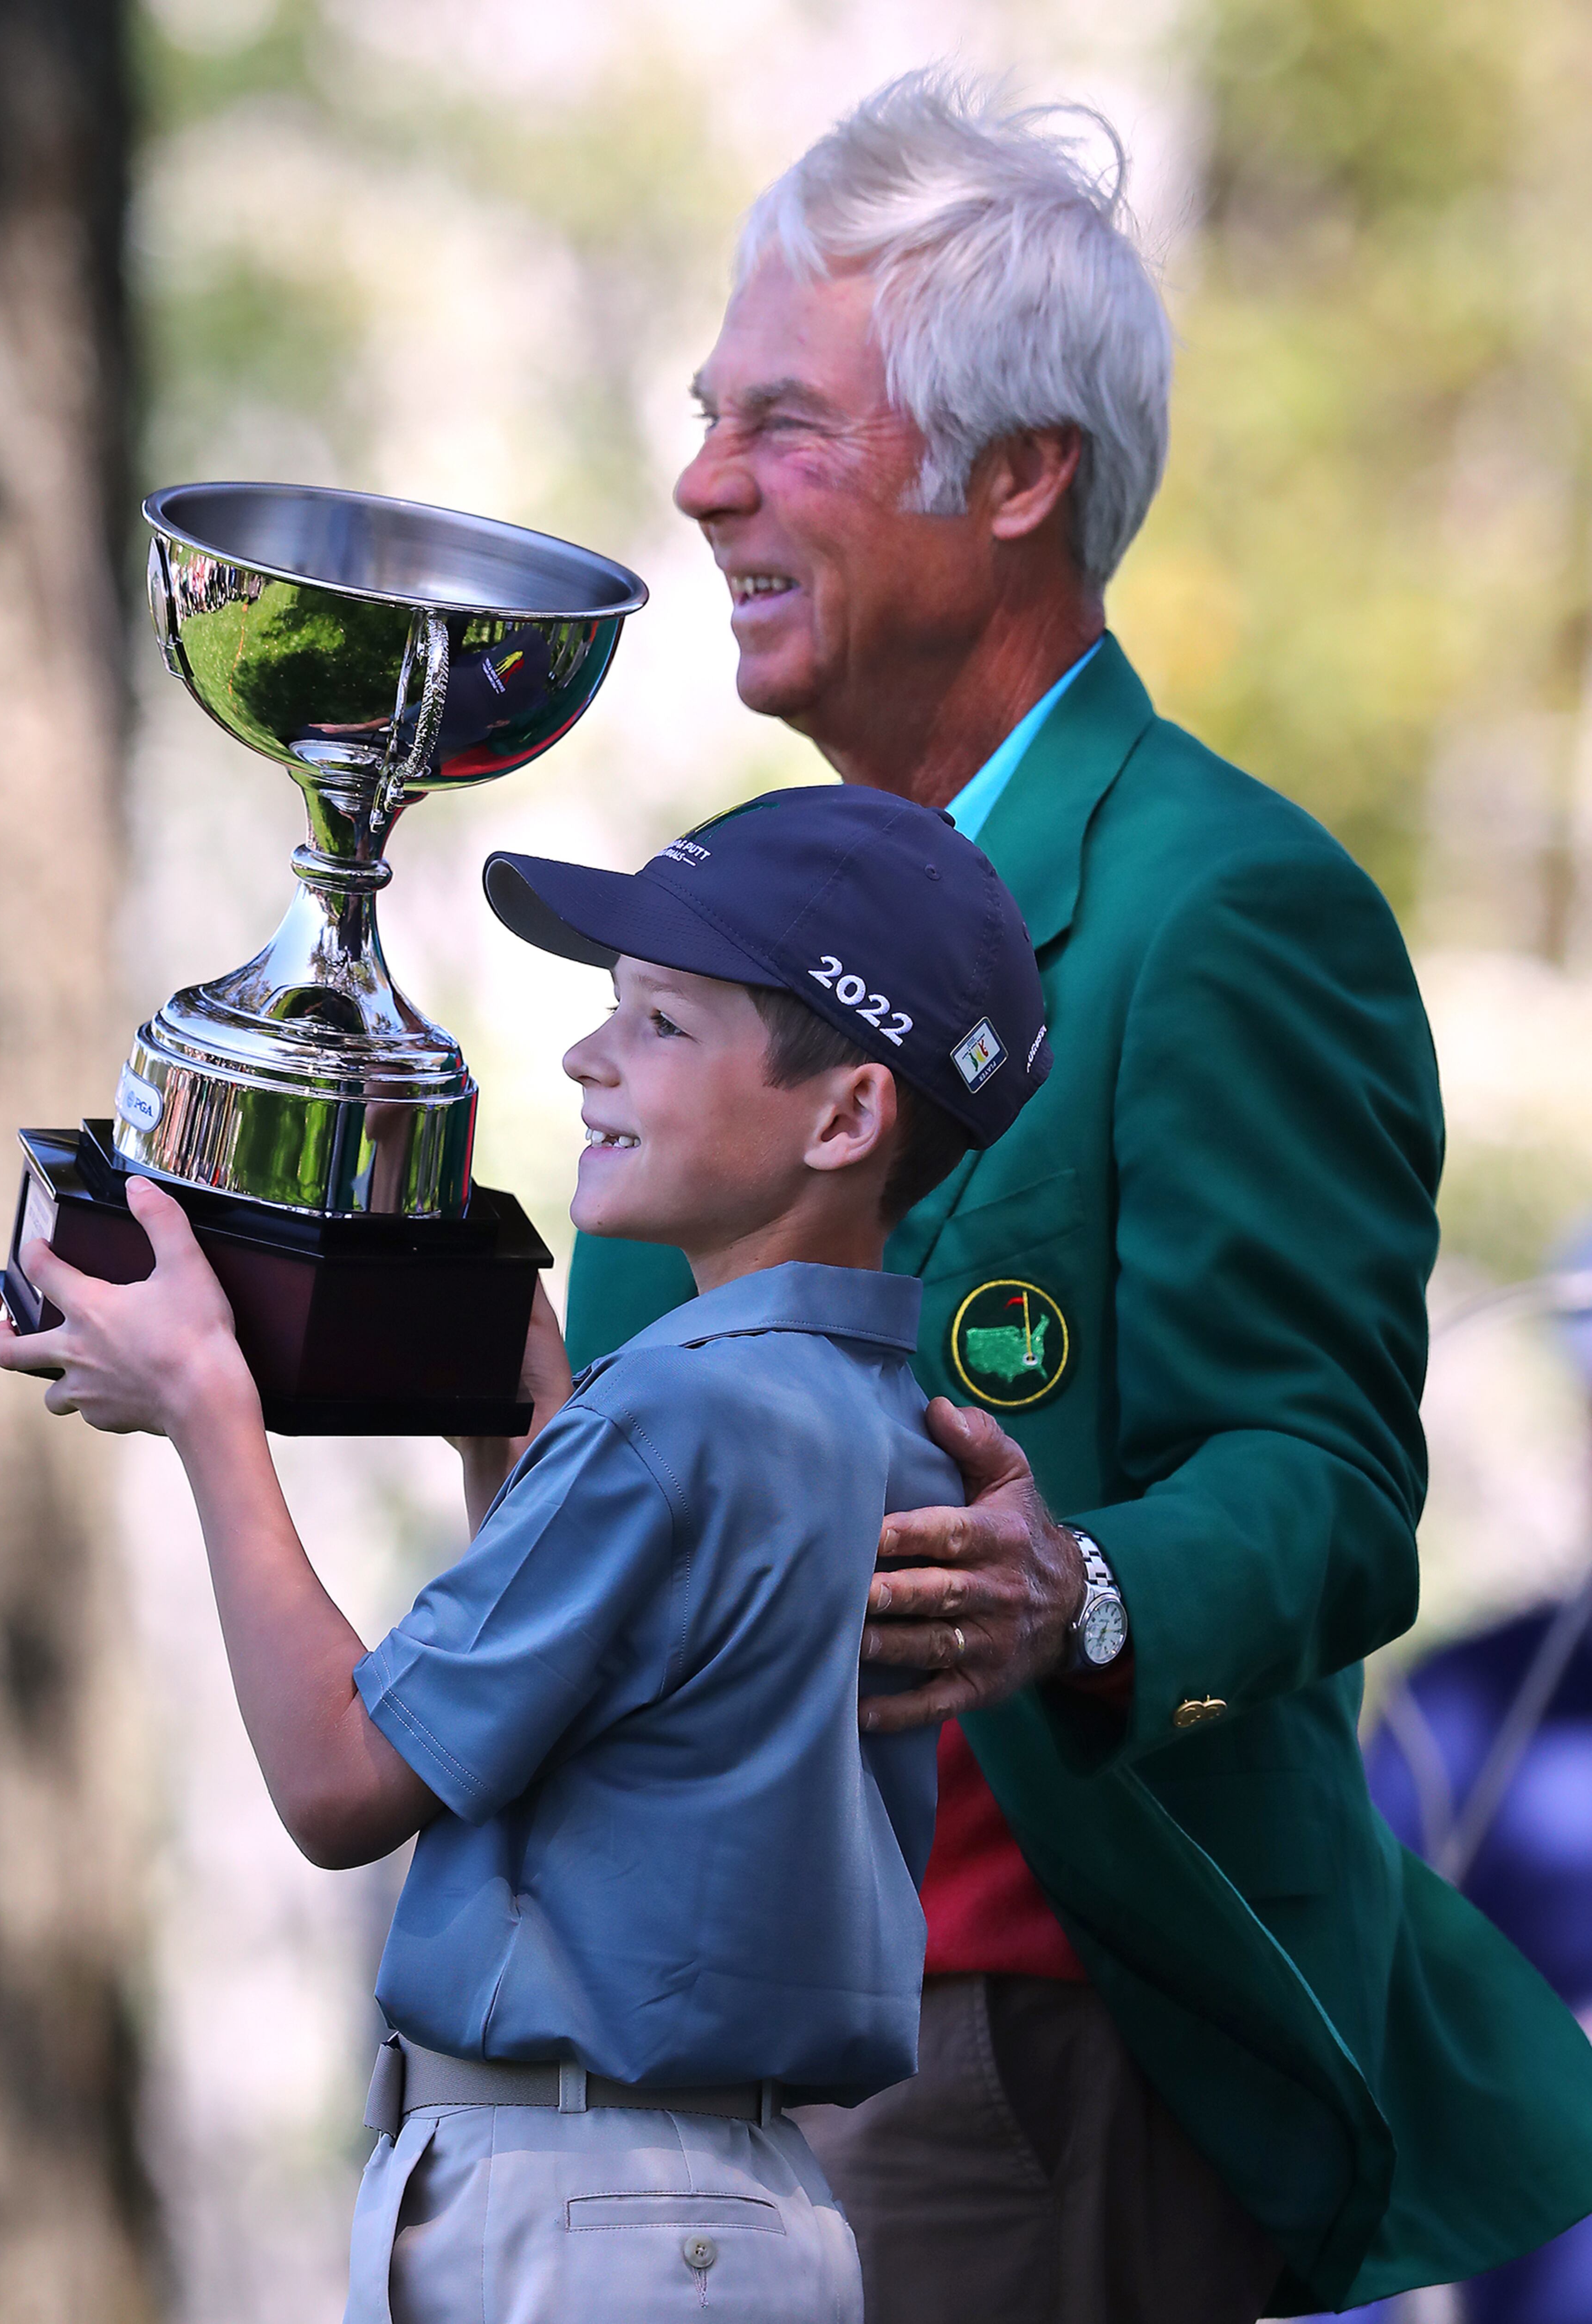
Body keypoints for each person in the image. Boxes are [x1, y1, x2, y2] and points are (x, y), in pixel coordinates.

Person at [563, 70, 1592, 2323]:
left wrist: (1084, 1587)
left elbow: (1324, 1487)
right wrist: (334, 1349)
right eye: (708, 413)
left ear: (1021, 478)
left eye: (789, 428)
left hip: (998, 2065)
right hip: (639, 2036)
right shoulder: (725, 909)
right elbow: (632, 1478)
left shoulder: (1228, 909)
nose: (701, 479)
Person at [0, 784, 1056, 2323]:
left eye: (667, 1026)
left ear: (845, 1117)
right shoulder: (861, 1414)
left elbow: (342, 1781)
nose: (586, 1057)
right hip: (701, 2209)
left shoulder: (677, 1417)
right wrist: (511, 1436)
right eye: (610, 1011)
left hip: (589, 2223)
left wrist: (207, 1406)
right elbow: (617, 1733)